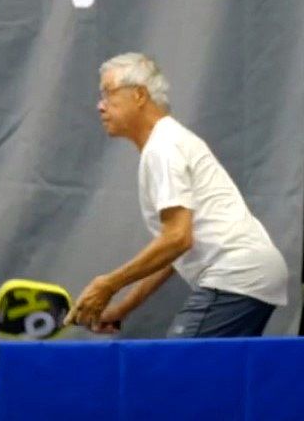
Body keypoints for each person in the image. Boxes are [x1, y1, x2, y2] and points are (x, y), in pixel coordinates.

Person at [66, 52, 288, 338]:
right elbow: (175, 251)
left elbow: (178, 238)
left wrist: (108, 284)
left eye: (107, 93)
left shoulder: (164, 147)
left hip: (235, 277)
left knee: (175, 365)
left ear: (139, 95)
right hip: (254, 275)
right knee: (217, 369)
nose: (100, 105)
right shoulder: (168, 142)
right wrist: (122, 308)